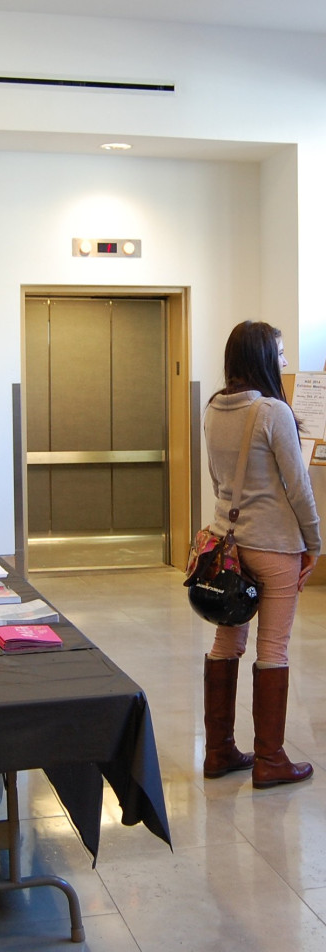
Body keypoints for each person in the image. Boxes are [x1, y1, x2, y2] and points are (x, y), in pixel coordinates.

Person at [202, 321, 320, 789]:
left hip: (227, 545)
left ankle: (218, 751)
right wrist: (315, 542)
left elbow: (216, 478)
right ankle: (270, 759)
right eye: (280, 353)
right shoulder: (272, 412)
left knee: (227, 641)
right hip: (273, 545)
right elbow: (298, 486)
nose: (285, 362)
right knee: (273, 648)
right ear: (261, 358)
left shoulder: (212, 407)